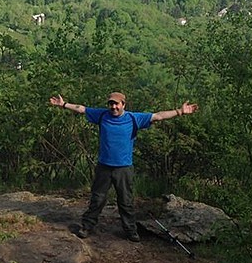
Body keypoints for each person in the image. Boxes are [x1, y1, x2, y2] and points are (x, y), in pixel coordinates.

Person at [49, 91, 198, 241]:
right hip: (104, 167)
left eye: (116, 104)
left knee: (125, 201)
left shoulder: (133, 118)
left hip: (124, 168)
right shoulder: (102, 115)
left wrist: (180, 112)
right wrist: (63, 105)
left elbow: (158, 116)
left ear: (123, 105)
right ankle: (87, 227)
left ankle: (130, 230)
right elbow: (82, 109)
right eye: (111, 104)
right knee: (97, 199)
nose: (113, 107)